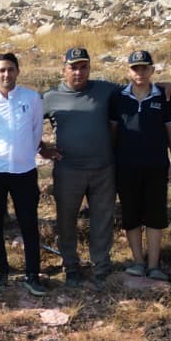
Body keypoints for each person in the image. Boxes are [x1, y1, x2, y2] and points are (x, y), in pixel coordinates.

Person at [41, 47, 120, 285]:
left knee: (102, 219)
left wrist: (166, 85)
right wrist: (41, 148)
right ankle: (70, 265)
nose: (78, 72)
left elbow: (138, 87)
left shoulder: (106, 90)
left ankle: (101, 266)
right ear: (64, 69)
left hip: (103, 169)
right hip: (68, 171)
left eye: (83, 66)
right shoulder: (50, 97)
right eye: (73, 67)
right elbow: (26, 120)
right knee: (66, 219)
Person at [0, 54, 45, 295]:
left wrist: (24, 155)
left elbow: (36, 133)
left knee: (29, 223)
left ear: (18, 71)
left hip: (24, 172)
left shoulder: (32, 98)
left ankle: (32, 274)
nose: (6, 75)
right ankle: (1, 270)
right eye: (1, 70)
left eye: (10, 70)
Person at [109, 50, 171, 281]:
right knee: (131, 215)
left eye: (144, 68)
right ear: (128, 71)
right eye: (135, 68)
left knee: (155, 215)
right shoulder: (118, 96)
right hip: (126, 166)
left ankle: (154, 265)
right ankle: (138, 261)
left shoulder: (163, 96)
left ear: (152, 70)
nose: (139, 72)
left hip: (156, 165)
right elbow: (113, 132)